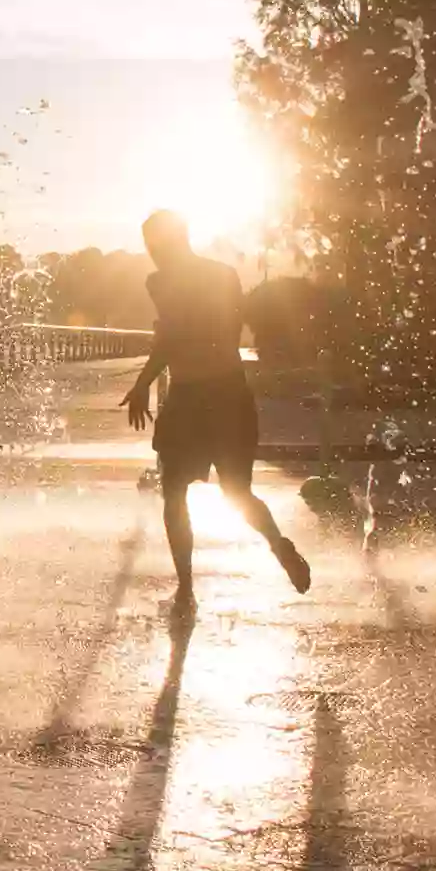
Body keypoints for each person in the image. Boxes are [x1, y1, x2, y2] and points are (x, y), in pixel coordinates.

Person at [121, 210, 310, 611]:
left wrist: (142, 384)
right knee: (236, 491)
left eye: (157, 245)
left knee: (175, 493)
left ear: (177, 240)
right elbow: (225, 330)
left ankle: (186, 588)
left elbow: (172, 338)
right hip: (229, 393)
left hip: (191, 396)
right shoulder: (224, 274)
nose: (153, 253)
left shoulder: (160, 282)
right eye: (149, 246)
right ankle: (277, 545)